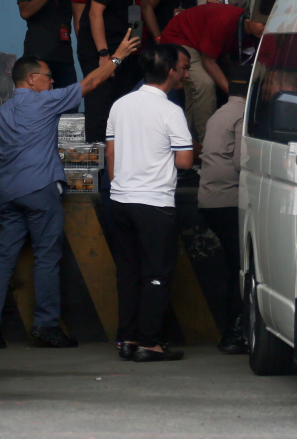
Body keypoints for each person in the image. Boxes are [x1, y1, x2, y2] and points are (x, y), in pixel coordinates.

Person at [0, 32, 140, 350]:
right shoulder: (42, 103)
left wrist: (14, 175)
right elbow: (90, 84)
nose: (52, 82)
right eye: (48, 76)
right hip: (40, 191)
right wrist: (118, 56)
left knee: (4, 257)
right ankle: (45, 326)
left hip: (9, 192)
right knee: (46, 257)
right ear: (31, 78)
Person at [106, 44, 192, 362]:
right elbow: (184, 161)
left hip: (120, 200)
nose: (185, 73)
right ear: (170, 71)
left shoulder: (121, 105)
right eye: (183, 68)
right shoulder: (170, 111)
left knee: (128, 272)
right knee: (156, 273)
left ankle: (126, 339)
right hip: (154, 203)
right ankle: (148, 342)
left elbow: (110, 154)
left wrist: (121, 185)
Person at [77, 0, 161, 143]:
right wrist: (104, 55)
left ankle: (119, 162)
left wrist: (157, 37)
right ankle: (98, 170)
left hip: (126, 47)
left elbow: (142, 5)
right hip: (103, 49)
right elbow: (95, 13)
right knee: (100, 108)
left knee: (124, 105)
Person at [197, 67, 250, 353]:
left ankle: (234, 332)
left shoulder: (220, 112)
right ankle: (234, 334)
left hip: (211, 200)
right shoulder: (243, 114)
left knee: (234, 268)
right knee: (241, 269)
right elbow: (244, 162)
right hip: (230, 201)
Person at [160, 3, 265, 142]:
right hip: (182, 38)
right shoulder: (224, 20)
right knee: (204, 84)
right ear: (247, 19)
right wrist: (234, 93)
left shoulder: (254, 31)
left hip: (206, 45)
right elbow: (208, 61)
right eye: (262, 23)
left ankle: (189, 144)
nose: (265, 27)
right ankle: (207, 146)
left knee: (198, 92)